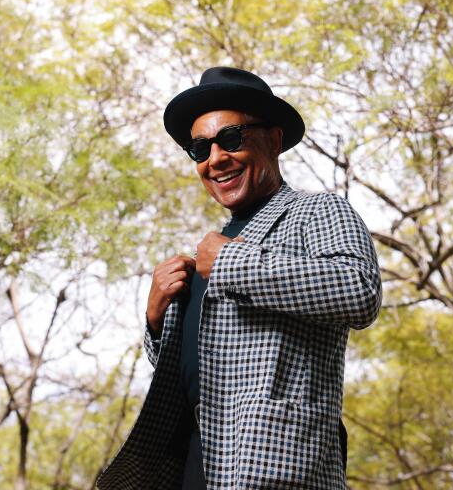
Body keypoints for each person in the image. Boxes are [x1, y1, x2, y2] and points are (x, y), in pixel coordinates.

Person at [95, 67, 382, 489]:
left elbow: (359, 290)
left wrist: (231, 263)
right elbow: (201, 370)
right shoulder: (203, 255)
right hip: (195, 465)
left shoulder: (317, 211)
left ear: (274, 139)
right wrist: (156, 322)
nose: (215, 159)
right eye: (200, 149)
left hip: (276, 464)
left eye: (231, 139)